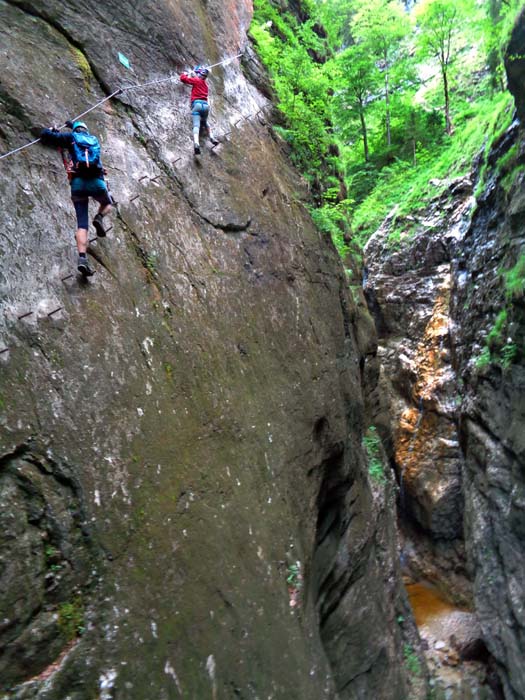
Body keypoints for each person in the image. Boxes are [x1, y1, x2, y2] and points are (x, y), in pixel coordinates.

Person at [39, 121, 112, 276]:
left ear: (76, 130)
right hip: (97, 182)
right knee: (107, 203)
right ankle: (99, 217)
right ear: (86, 130)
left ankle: (82, 259)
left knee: (82, 225)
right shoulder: (93, 140)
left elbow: (45, 136)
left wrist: (52, 130)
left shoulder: (71, 137)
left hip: (78, 184)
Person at [179, 66, 219, 155]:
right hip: (205, 106)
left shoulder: (196, 80)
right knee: (205, 122)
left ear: (199, 75)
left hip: (197, 104)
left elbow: (183, 79)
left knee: (196, 125)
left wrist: (184, 74)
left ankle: (196, 143)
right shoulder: (206, 86)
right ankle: (212, 137)